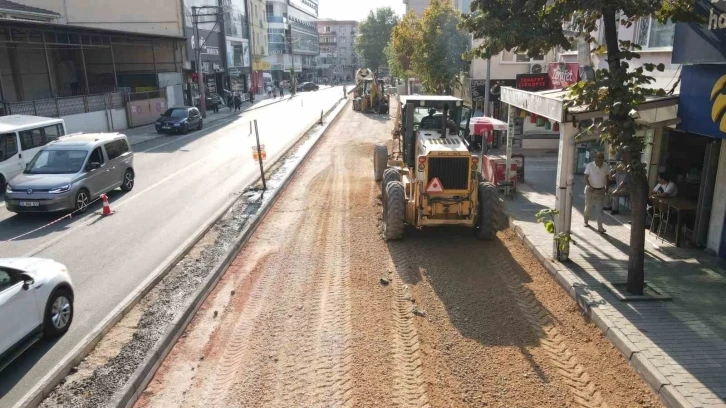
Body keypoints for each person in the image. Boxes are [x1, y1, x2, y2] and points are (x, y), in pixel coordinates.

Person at [584, 152, 609, 233]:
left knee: (600, 210)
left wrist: (606, 188)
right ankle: (586, 221)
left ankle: (600, 227)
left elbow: (607, 177)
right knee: (588, 207)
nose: (600, 159)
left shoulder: (606, 166)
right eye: (598, 157)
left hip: (600, 190)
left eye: (601, 157)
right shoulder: (590, 166)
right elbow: (585, 177)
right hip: (590, 190)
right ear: (595, 158)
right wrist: (589, 186)